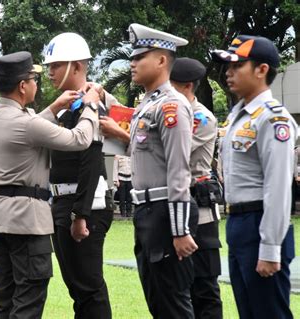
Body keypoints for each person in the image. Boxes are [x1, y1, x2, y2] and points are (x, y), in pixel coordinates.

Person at [0, 51, 101, 318]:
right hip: (26, 221)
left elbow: (27, 130)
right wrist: (90, 106)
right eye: (34, 78)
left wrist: (55, 107)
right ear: (23, 85)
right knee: (29, 299)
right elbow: (79, 139)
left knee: (5, 299)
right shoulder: (28, 123)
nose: (38, 83)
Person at [99, 23, 199, 318]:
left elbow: (179, 168)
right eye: (132, 57)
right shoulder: (148, 104)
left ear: (161, 60)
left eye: (140, 57)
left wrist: (180, 230)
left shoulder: (171, 106)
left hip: (165, 211)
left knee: (173, 303)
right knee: (158, 300)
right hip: (148, 212)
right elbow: (147, 154)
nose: (132, 64)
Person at [212, 35, 297, 319]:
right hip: (238, 222)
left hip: (261, 221)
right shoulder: (239, 116)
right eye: (227, 66)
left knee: (269, 312)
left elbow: (279, 185)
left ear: (262, 70)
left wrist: (271, 246)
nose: (228, 72)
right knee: (249, 311)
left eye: (237, 65)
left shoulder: (273, 118)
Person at [42, 32, 118, 318]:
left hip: (84, 205)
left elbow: (90, 160)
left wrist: (80, 214)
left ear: (77, 66)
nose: (50, 71)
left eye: (57, 65)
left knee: (89, 288)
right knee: (77, 288)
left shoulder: (91, 106)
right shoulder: (67, 106)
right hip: (63, 202)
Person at [170, 57, 223, 318]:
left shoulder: (201, 118)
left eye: (171, 84)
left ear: (187, 86)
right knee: (179, 285)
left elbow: (172, 150)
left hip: (198, 206)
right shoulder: (171, 112)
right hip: (175, 204)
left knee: (204, 285)